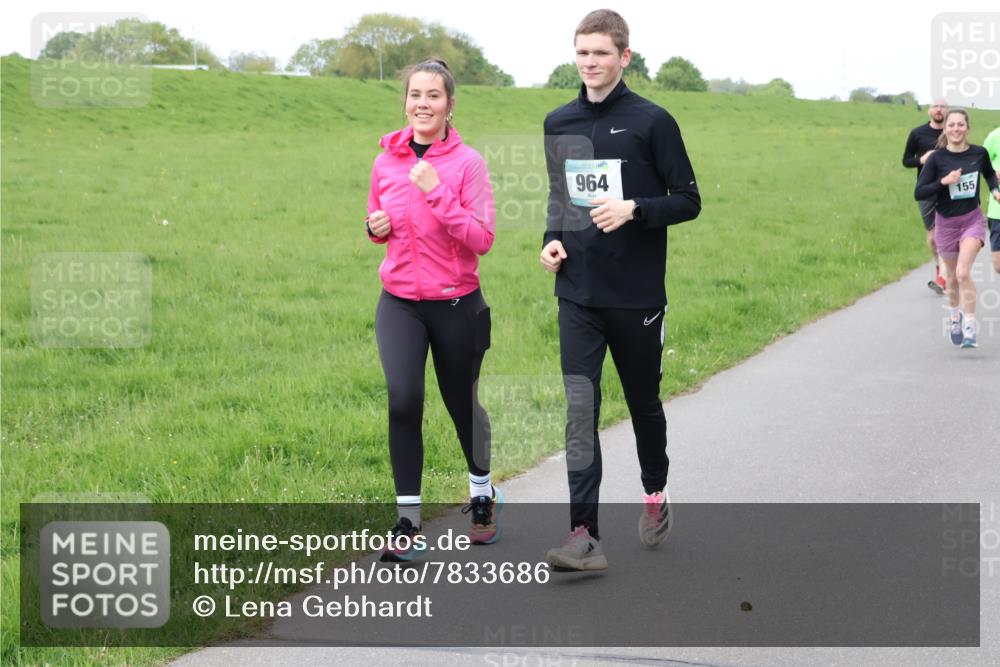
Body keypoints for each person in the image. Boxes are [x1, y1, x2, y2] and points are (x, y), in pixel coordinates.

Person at [539, 9, 700, 571]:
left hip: (635, 296)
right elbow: (561, 198)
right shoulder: (558, 122)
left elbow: (688, 199)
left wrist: (635, 208)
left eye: (601, 53)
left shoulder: (652, 122)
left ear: (624, 57)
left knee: (642, 405)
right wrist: (551, 241)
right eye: (582, 52)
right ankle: (583, 533)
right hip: (577, 292)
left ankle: (654, 492)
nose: (590, 63)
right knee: (580, 411)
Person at [365, 59, 501, 561]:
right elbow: (379, 218)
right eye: (414, 94)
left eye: (433, 96)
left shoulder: (468, 164)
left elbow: (481, 238)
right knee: (403, 399)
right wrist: (374, 226)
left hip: (456, 304)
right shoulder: (385, 161)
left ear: (449, 105)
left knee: (461, 405)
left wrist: (436, 191)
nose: (422, 104)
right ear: (405, 100)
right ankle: (407, 522)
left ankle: (483, 493)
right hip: (399, 302)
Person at [915, 109, 1000, 348]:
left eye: (960, 125)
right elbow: (919, 192)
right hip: (946, 224)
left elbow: (989, 176)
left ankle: (970, 326)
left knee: (963, 272)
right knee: (951, 278)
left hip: (972, 220)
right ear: (946, 129)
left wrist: (995, 191)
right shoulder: (936, 159)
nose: (955, 129)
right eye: (951, 125)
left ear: (967, 128)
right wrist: (944, 181)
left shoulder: (979, 153)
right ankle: (955, 316)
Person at [903, 100, 949, 294]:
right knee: (932, 239)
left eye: (943, 106)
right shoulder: (917, 133)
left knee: (945, 234)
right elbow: (906, 160)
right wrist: (921, 159)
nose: (939, 109)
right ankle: (941, 268)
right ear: (929, 110)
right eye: (935, 106)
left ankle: (944, 278)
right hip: (927, 189)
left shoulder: (953, 130)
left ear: (947, 110)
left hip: (950, 189)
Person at [983, 125, 1000, 274]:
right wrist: (994, 173)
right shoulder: (995, 136)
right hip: (997, 211)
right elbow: (980, 163)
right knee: (998, 266)